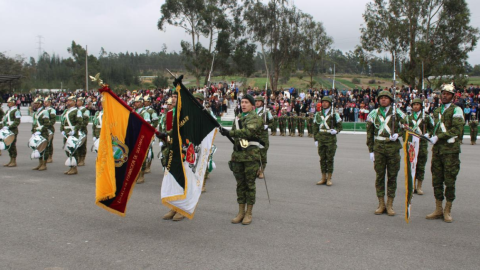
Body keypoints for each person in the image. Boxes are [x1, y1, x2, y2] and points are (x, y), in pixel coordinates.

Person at [218, 94, 263, 225]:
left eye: (246, 102)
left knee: (249, 185)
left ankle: (249, 213)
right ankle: (240, 212)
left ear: (252, 105)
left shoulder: (256, 118)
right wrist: (227, 133)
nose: (243, 104)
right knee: (240, 185)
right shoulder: (237, 118)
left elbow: (248, 132)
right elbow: (235, 136)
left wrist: (229, 133)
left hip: (250, 157)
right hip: (238, 156)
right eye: (242, 102)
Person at [426, 83, 465, 223]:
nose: (444, 95)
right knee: (436, 180)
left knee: (449, 180)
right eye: (443, 93)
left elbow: (457, 130)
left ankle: (447, 209)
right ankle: (438, 209)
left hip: (450, 152)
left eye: (448, 94)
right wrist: (429, 134)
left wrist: (438, 137)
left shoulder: (457, 110)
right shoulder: (437, 111)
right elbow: (435, 128)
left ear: (453, 96)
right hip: (437, 151)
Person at [366, 90, 406, 216]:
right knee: (379, 177)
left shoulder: (397, 113)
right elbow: (370, 134)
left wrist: (398, 134)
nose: (383, 100)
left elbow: (407, 129)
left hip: (392, 147)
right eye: (381, 98)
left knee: (392, 177)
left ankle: (390, 204)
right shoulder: (373, 113)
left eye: (386, 98)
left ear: (390, 100)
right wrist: (371, 150)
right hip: (379, 148)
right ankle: (381, 203)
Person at [161, 91, 185, 222]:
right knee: (171, 178)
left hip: (182, 148)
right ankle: (173, 207)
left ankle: (181, 208)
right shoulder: (170, 113)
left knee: (181, 178)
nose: (174, 99)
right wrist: (164, 136)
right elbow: (169, 129)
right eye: (173, 97)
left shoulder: (185, 113)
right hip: (170, 148)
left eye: (176, 97)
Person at [405, 98, 434, 195]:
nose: (416, 106)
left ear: (421, 106)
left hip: (422, 144)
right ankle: (412, 185)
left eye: (418, 104)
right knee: (412, 165)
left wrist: (428, 134)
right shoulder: (408, 118)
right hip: (412, 145)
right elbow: (404, 130)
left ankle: (419, 186)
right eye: (414, 105)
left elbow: (432, 129)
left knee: (421, 165)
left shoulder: (426, 117)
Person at [313, 96, 343, 186]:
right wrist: (316, 139)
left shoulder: (334, 114)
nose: (324, 103)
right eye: (323, 102)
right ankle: (323, 177)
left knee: (330, 159)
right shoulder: (318, 114)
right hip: (321, 139)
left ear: (330, 103)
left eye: (326, 102)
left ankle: (329, 178)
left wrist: (336, 131)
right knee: (322, 159)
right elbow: (315, 127)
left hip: (330, 139)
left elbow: (340, 126)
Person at [60, 96, 82, 175]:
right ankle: (71, 167)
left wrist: (74, 130)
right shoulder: (66, 111)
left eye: (70, 101)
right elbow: (63, 121)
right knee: (67, 150)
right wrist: (62, 130)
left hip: (73, 133)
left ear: (74, 102)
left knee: (73, 150)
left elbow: (80, 122)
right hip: (66, 132)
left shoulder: (77, 111)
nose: (68, 102)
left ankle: (74, 168)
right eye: (67, 101)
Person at [31, 97, 53, 171]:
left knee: (44, 148)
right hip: (37, 132)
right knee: (38, 148)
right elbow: (34, 124)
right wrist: (33, 132)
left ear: (40, 104)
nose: (34, 105)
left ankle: (44, 164)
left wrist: (40, 130)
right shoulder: (36, 112)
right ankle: (40, 163)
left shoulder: (44, 112)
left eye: (36, 103)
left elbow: (46, 123)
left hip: (43, 133)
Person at [133, 95, 150, 184]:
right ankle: (136, 174)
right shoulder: (133, 112)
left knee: (141, 156)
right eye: (136, 102)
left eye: (138, 102)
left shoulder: (145, 113)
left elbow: (147, 125)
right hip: (134, 136)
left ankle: (141, 175)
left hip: (141, 136)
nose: (137, 104)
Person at [254, 95, 273, 179]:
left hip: (263, 136)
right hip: (254, 136)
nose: (257, 102)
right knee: (254, 154)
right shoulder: (252, 111)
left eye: (259, 101)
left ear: (262, 102)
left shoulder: (266, 112)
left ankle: (261, 171)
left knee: (262, 154)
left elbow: (273, 122)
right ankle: (256, 169)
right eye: (256, 101)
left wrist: (267, 126)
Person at [2, 97, 21, 167]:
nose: (8, 104)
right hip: (7, 130)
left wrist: (9, 126)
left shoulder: (16, 111)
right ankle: (11, 159)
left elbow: (17, 121)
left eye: (9, 102)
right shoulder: (8, 111)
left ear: (13, 103)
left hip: (13, 130)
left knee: (12, 145)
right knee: (9, 146)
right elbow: (5, 120)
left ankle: (14, 160)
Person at [143, 95, 159, 174]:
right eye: (144, 101)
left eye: (146, 101)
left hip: (149, 131)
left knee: (149, 148)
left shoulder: (152, 111)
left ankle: (148, 165)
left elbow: (155, 121)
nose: (145, 103)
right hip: (142, 132)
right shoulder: (141, 110)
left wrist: (151, 128)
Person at [76, 97, 90, 166]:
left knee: (83, 145)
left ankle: (82, 159)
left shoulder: (85, 110)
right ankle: (78, 158)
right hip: (76, 130)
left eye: (79, 101)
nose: (77, 102)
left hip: (82, 130)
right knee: (77, 145)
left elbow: (85, 121)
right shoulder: (76, 110)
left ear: (82, 102)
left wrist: (80, 127)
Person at [44, 97, 57, 163]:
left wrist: (47, 125)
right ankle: (45, 156)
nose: (44, 103)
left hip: (49, 128)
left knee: (49, 143)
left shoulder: (52, 110)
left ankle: (50, 156)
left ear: (49, 102)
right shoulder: (43, 110)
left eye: (46, 102)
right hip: (43, 129)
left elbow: (52, 120)